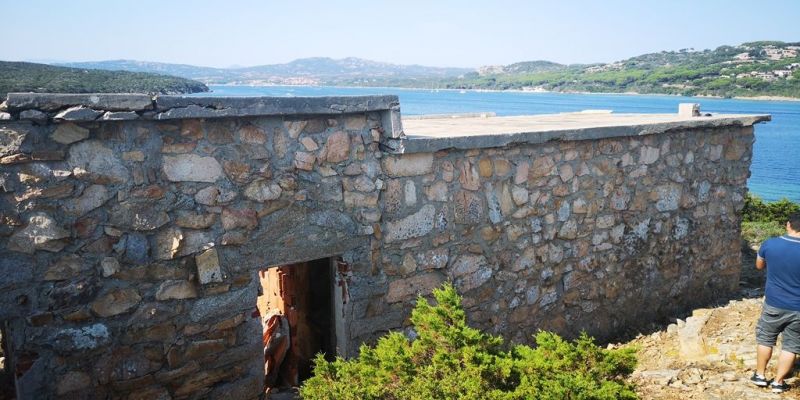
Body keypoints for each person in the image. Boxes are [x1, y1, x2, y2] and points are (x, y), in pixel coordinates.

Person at [752, 212, 800, 393]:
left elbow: (759, 266)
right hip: (799, 308)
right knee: (791, 345)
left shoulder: (770, 244)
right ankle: (779, 382)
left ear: (788, 225)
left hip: (774, 303)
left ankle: (760, 375)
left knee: (766, 339)